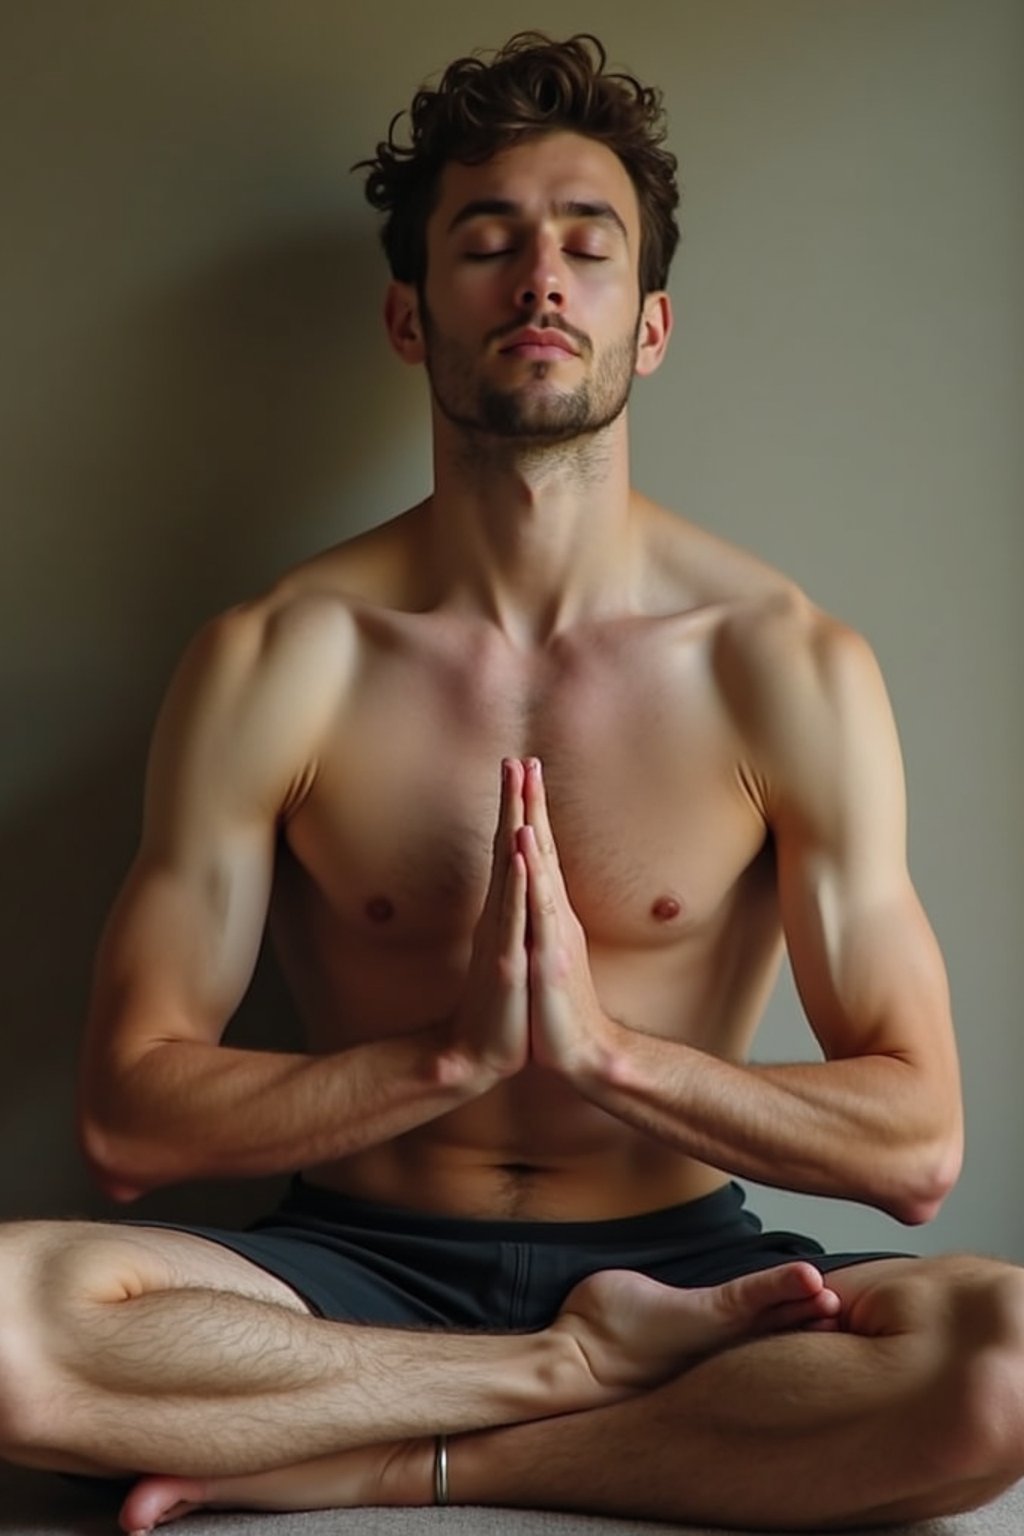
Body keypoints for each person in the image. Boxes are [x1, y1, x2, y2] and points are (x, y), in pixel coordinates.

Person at [1, 30, 1021, 1536]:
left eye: (585, 247)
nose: (540, 278)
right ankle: (566, 1378)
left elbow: (916, 1145)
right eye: (489, 243)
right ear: (412, 319)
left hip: (687, 1266)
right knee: (10, 1328)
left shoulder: (783, 665)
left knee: (1003, 1373)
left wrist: (610, 1053)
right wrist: (444, 1063)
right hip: (352, 1268)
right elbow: (134, 1119)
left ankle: (410, 1449)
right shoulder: (278, 660)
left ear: (649, 325)